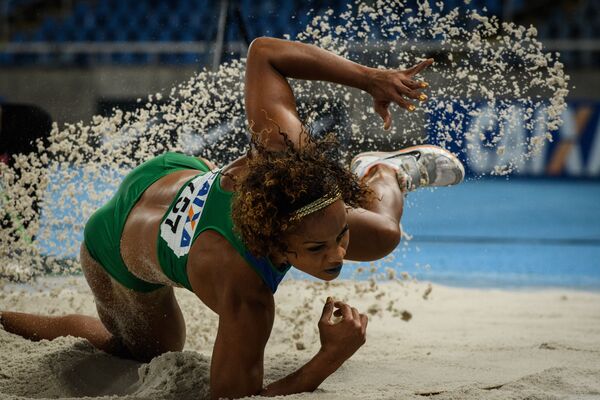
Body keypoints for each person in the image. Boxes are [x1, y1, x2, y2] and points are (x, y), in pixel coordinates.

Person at [0, 37, 464, 399]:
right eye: (318, 249)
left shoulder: (284, 150)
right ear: (275, 247)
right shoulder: (246, 294)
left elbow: (264, 53)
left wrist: (369, 78)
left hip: (168, 176)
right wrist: (331, 356)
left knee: (382, 234)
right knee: (143, 351)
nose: (339, 257)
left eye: (340, 233)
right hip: (114, 247)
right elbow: (233, 397)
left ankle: (383, 170)